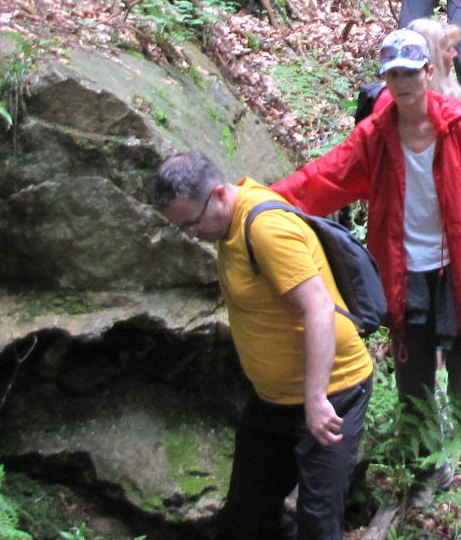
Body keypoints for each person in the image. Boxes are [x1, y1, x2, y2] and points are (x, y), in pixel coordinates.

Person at [273, 29, 461, 540]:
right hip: (402, 274)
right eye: (393, 74)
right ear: (386, 80)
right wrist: (265, 200)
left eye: (411, 72)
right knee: (415, 389)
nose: (403, 82)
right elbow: (327, 178)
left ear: (427, 73)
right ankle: (431, 467)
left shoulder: (459, 129)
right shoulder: (377, 135)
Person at [150, 152, 374, 540]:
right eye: (181, 228)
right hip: (274, 400)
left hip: (333, 392)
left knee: (319, 521)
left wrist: (316, 398)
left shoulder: (265, 228)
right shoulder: (224, 225)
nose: (191, 235)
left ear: (220, 195)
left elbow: (319, 307)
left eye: (191, 223)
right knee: (246, 517)